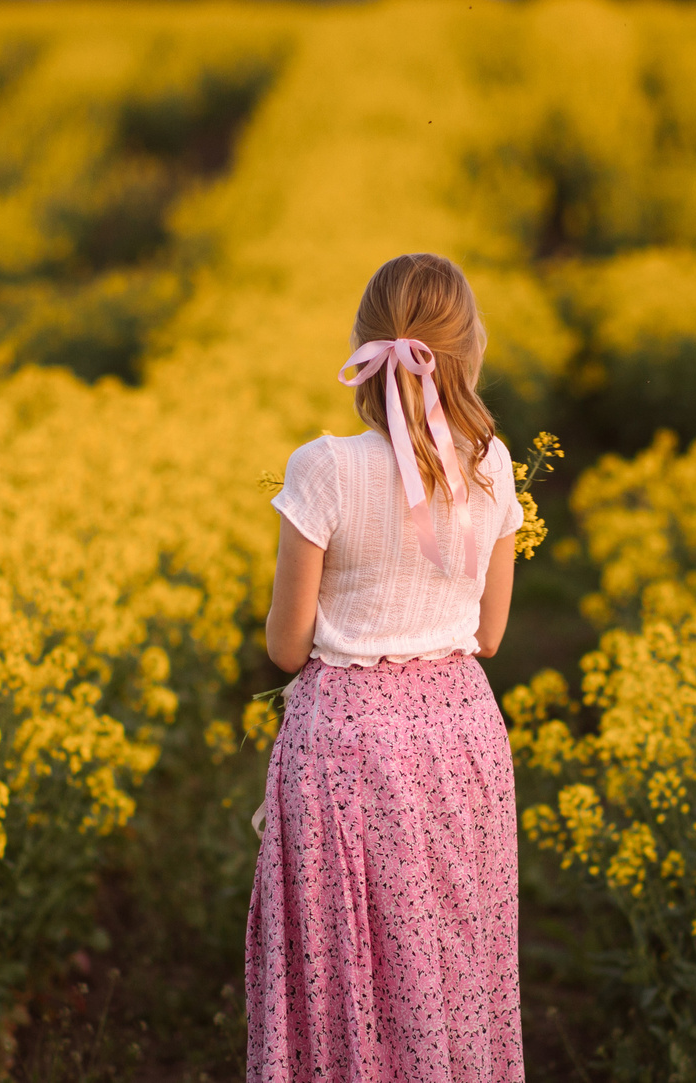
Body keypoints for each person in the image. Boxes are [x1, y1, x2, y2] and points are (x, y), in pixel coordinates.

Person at [244, 252, 525, 1083]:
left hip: (349, 747)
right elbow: (492, 631)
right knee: (450, 966)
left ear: (365, 349)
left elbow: (286, 647)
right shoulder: (493, 464)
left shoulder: (324, 467)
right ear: (467, 351)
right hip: (461, 740)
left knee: (347, 973)